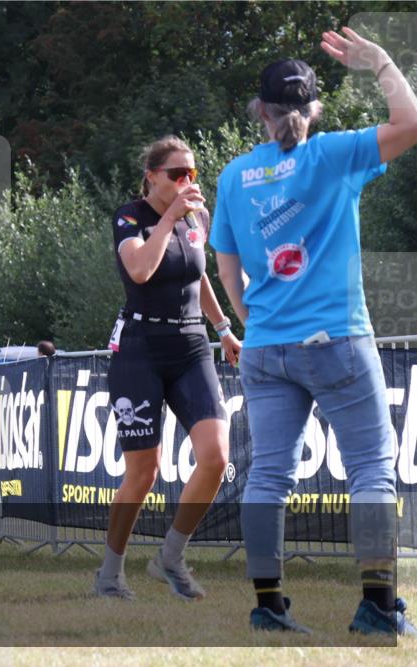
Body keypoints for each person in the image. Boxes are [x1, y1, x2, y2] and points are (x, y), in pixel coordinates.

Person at [211, 28, 417, 635]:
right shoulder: (331, 155)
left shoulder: (235, 175)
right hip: (337, 340)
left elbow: (223, 264)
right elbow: (410, 123)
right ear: (313, 109)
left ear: (260, 112)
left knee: (269, 473)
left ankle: (268, 608)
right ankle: (379, 608)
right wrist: (379, 63)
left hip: (267, 346)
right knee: (373, 468)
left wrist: (254, 321)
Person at [95, 135, 242, 602]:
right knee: (144, 472)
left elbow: (196, 273)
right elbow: (140, 269)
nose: (185, 182)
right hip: (140, 346)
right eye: (176, 174)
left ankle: (171, 557)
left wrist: (223, 328)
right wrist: (170, 219)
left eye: (192, 174)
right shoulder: (130, 216)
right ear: (152, 176)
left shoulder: (196, 215)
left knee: (217, 456)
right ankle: (110, 573)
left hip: (191, 344)